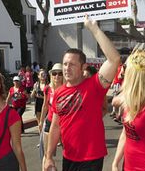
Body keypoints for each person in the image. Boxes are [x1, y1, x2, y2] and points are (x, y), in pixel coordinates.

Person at [44, 15, 120, 171]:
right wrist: (48, 156)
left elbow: (114, 59)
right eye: (65, 64)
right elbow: (55, 126)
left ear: (83, 67)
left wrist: (94, 28)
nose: (66, 68)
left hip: (91, 159)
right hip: (69, 157)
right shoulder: (58, 93)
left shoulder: (94, 86)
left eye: (72, 64)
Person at [39, 63, 64, 171]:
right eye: (54, 73)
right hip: (50, 122)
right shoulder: (47, 89)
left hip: (64, 124)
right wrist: (40, 122)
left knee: (69, 152)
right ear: (51, 75)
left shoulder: (67, 88)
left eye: (60, 73)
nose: (57, 76)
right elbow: (45, 105)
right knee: (47, 154)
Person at [31, 69, 47, 135]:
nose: (43, 75)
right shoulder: (36, 85)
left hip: (46, 104)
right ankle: (41, 139)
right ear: (38, 76)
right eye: (41, 74)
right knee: (39, 122)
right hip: (38, 103)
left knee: (47, 122)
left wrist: (43, 97)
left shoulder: (48, 85)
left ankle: (47, 138)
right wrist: (33, 93)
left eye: (44, 74)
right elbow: (32, 96)